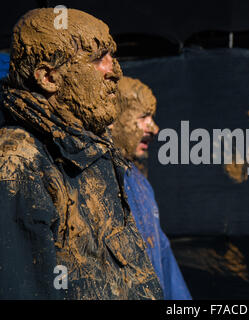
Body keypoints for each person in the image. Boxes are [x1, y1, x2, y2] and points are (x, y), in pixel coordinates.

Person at [0, 8, 163, 299]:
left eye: (112, 56)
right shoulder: (20, 161)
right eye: (98, 58)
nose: (115, 71)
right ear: (48, 77)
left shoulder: (92, 153)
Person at [110, 76, 192, 300]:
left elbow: (163, 257)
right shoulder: (94, 182)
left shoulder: (141, 184)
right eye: (144, 116)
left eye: (152, 117)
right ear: (112, 118)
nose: (154, 128)